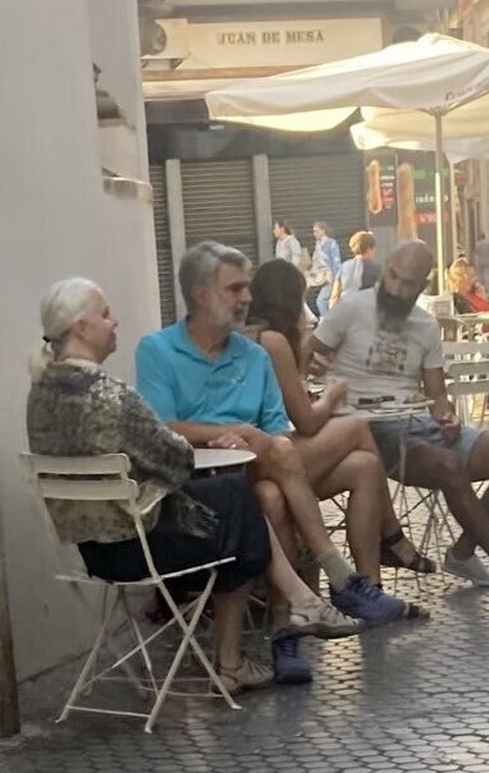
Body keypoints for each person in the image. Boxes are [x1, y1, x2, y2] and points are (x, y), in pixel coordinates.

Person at [27, 277, 347, 691]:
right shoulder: (110, 396)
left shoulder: (41, 392)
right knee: (240, 503)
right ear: (81, 328)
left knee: (236, 506)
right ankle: (243, 651)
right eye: (105, 315)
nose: (115, 321)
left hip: (91, 551)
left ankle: (297, 605)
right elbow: (176, 459)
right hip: (138, 548)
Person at [135, 242, 420, 643]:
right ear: (201, 295)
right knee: (318, 454)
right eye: (235, 289)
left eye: (247, 288)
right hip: (200, 485)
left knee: (358, 466)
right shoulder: (158, 350)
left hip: (258, 469)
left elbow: (278, 429)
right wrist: (227, 435)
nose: (247, 298)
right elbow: (162, 426)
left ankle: (319, 608)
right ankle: (340, 579)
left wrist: (254, 439)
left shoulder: (254, 356)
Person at [306, 241, 489, 600]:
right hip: (365, 428)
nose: (396, 288)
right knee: (448, 465)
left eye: (408, 283)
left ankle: (462, 552)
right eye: (392, 277)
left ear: (422, 286)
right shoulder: (351, 307)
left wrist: (446, 414)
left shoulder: (425, 325)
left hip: (415, 423)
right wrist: (313, 364)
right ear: (386, 267)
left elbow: (436, 393)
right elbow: (305, 354)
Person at [245, 259, 436, 580]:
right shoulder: (271, 341)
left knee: (365, 465)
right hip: (271, 456)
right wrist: (333, 395)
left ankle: (370, 585)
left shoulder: (261, 338)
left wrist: (305, 370)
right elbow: (304, 420)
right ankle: (391, 536)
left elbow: (285, 401)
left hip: (277, 451)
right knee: (357, 425)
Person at [330, 231, 379, 308]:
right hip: (366, 313)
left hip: (345, 311)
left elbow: (335, 296)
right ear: (370, 248)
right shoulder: (376, 268)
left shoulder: (343, 267)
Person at [306, 222, 342, 318]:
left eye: (316, 231)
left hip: (329, 276)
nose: (314, 234)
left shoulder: (331, 243)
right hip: (320, 275)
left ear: (323, 231)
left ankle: (327, 322)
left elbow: (336, 261)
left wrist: (336, 278)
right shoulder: (318, 244)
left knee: (321, 300)